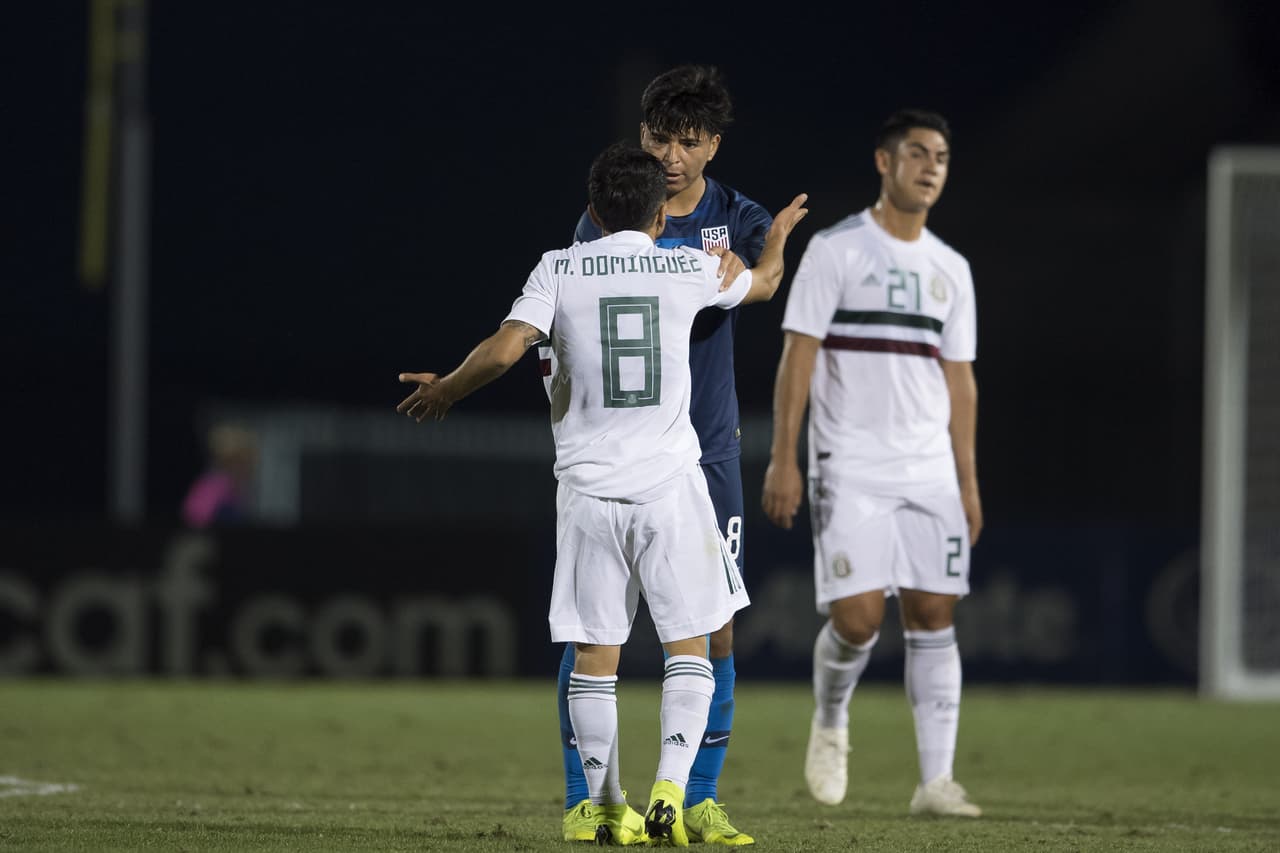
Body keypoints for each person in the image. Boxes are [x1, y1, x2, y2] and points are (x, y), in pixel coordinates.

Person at [398, 142, 808, 845]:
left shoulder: (558, 268)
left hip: (589, 494)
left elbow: (505, 347)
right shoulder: (688, 265)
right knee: (691, 647)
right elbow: (765, 284)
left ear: (593, 208)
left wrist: (447, 391)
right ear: (659, 217)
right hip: (670, 487)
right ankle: (671, 791)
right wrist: (775, 240)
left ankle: (602, 807)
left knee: (595, 658)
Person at [552, 64, 774, 847]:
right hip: (622, 459)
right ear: (641, 136)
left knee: (717, 627)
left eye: (687, 141)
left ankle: (698, 797)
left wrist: (765, 256)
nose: (671, 156)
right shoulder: (606, 221)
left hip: (707, 450)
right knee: (594, 629)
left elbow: (763, 282)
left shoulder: (737, 217)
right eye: (658, 138)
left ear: (712, 144)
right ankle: (588, 798)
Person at [760, 108, 984, 818]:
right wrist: (784, 458)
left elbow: (960, 381)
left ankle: (936, 782)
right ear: (885, 162)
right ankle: (831, 718)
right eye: (917, 153)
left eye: (940, 157)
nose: (930, 167)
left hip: (929, 467)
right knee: (858, 620)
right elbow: (798, 356)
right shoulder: (837, 250)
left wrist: (968, 481)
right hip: (849, 461)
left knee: (934, 612)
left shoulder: (952, 269)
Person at [181, 422, 257, 528]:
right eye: (244, 461)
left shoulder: (237, 489)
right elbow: (195, 519)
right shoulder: (213, 486)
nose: (250, 467)